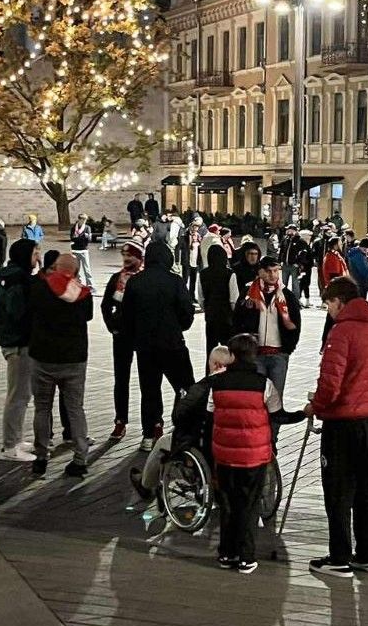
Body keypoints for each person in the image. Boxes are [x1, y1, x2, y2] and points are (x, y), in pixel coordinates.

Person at [306, 276, 368, 578]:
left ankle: (339, 556)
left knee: (339, 490)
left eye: (328, 303)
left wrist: (315, 405)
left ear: (339, 301)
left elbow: (331, 382)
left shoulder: (342, 331)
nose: (328, 310)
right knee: (367, 489)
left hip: (343, 423)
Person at [206, 335, 273, 573]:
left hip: (225, 455)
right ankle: (246, 557)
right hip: (255, 455)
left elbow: (210, 412)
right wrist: (302, 413)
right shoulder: (263, 383)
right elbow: (277, 413)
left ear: (232, 355)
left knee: (228, 504)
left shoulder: (217, 383)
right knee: (250, 504)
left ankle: (227, 554)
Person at [123, 237, 196, 450]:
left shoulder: (135, 282)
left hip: (146, 346)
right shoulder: (175, 281)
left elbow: (128, 316)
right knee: (184, 387)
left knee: (150, 389)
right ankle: (183, 428)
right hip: (172, 343)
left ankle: (150, 432)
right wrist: (178, 327)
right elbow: (186, 311)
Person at [28, 250, 95, 478]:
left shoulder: (40, 288)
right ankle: (80, 458)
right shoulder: (83, 294)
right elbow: (87, 317)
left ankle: (40, 456)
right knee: (75, 408)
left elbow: (29, 309)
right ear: (75, 272)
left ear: (55, 268)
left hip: (43, 357)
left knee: (42, 407)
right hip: (74, 359)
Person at [0, 239, 39, 462]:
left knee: (21, 393)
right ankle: (10, 446)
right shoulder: (18, 280)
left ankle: (16, 439)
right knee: (18, 395)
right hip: (19, 344)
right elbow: (18, 312)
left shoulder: (5, 275)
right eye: (35, 252)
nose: (38, 256)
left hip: (11, 340)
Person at [232, 255, 300, 406]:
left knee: (275, 401)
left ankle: (273, 430)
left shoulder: (286, 295)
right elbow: (237, 320)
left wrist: (288, 348)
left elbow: (295, 323)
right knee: (255, 399)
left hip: (278, 354)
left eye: (276, 271)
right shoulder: (248, 293)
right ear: (260, 272)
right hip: (254, 355)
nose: (273, 275)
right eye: (269, 271)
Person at [101, 241, 144, 441]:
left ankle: (153, 423)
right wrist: (112, 326)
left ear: (139, 257)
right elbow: (105, 305)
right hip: (122, 336)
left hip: (143, 335)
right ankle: (120, 421)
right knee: (121, 379)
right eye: (124, 255)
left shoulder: (145, 278)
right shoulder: (116, 278)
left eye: (131, 255)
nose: (127, 259)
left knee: (149, 380)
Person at [199, 244, 239, 350]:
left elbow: (201, 298)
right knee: (229, 350)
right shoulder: (230, 273)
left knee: (211, 349)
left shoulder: (203, 274)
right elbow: (233, 299)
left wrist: (207, 309)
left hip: (211, 316)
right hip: (226, 317)